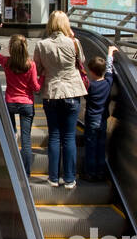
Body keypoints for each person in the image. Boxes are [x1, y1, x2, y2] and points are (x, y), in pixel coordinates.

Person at [33, 10, 87, 190]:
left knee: (54, 136)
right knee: (69, 136)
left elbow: (38, 68)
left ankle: (53, 177)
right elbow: (82, 62)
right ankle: (70, 179)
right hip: (72, 91)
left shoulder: (42, 45)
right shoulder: (74, 42)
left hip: (52, 92)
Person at [0, 35, 40, 177]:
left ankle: (11, 165)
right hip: (26, 104)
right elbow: (36, 88)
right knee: (26, 139)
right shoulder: (31, 65)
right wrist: (42, 78)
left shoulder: (7, 62)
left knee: (11, 134)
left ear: (11, 48)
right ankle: (26, 171)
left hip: (10, 102)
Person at [83, 46, 118, 182]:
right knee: (101, 146)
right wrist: (110, 53)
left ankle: (90, 173)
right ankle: (101, 172)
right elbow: (109, 68)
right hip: (103, 119)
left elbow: (85, 95)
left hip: (91, 118)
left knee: (91, 146)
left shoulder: (90, 85)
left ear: (91, 72)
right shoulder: (108, 83)